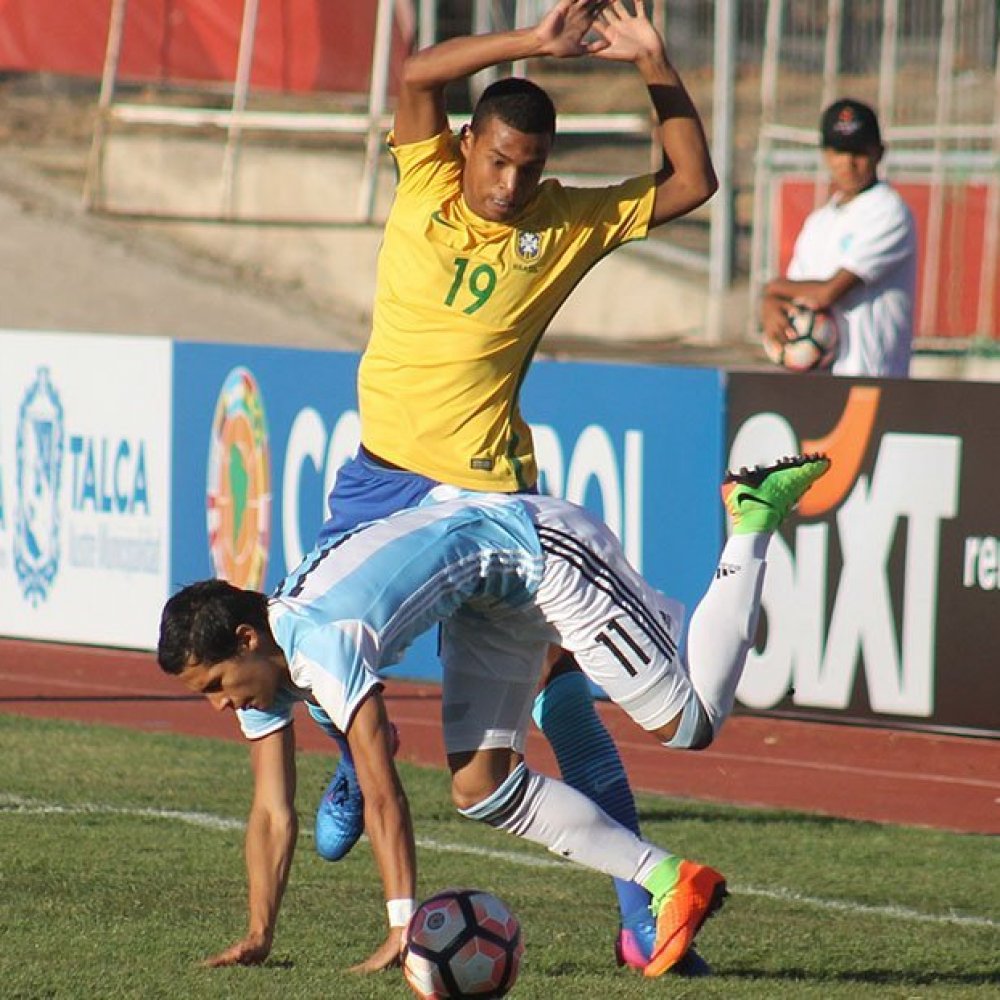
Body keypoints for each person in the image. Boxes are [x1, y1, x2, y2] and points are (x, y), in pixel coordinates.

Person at [303, 0, 719, 973]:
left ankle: (643, 916)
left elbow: (692, 180)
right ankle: (350, 771)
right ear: (468, 146)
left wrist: (653, 61)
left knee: (563, 708)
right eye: (497, 159)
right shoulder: (427, 177)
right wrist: (533, 40)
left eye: (528, 166)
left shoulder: (567, 218)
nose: (510, 181)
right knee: (322, 656)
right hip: (377, 484)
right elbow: (415, 74)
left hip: (486, 503)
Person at [156, 453, 831, 978]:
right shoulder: (265, 668)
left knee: (691, 723)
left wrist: (402, 926)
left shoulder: (320, 643)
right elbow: (272, 811)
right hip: (487, 600)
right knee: (482, 787)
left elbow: (384, 792)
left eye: (216, 684)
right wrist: (258, 936)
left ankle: (751, 518)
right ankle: (669, 880)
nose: (221, 703)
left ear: (247, 640)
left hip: (542, 553)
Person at [760, 98, 917, 377]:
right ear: (825, 154)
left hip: (873, 381)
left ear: (879, 152)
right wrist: (772, 305)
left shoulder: (888, 210)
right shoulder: (818, 222)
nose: (848, 162)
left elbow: (826, 293)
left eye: (859, 151)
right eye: (839, 151)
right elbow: (798, 297)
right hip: (819, 383)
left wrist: (771, 289)